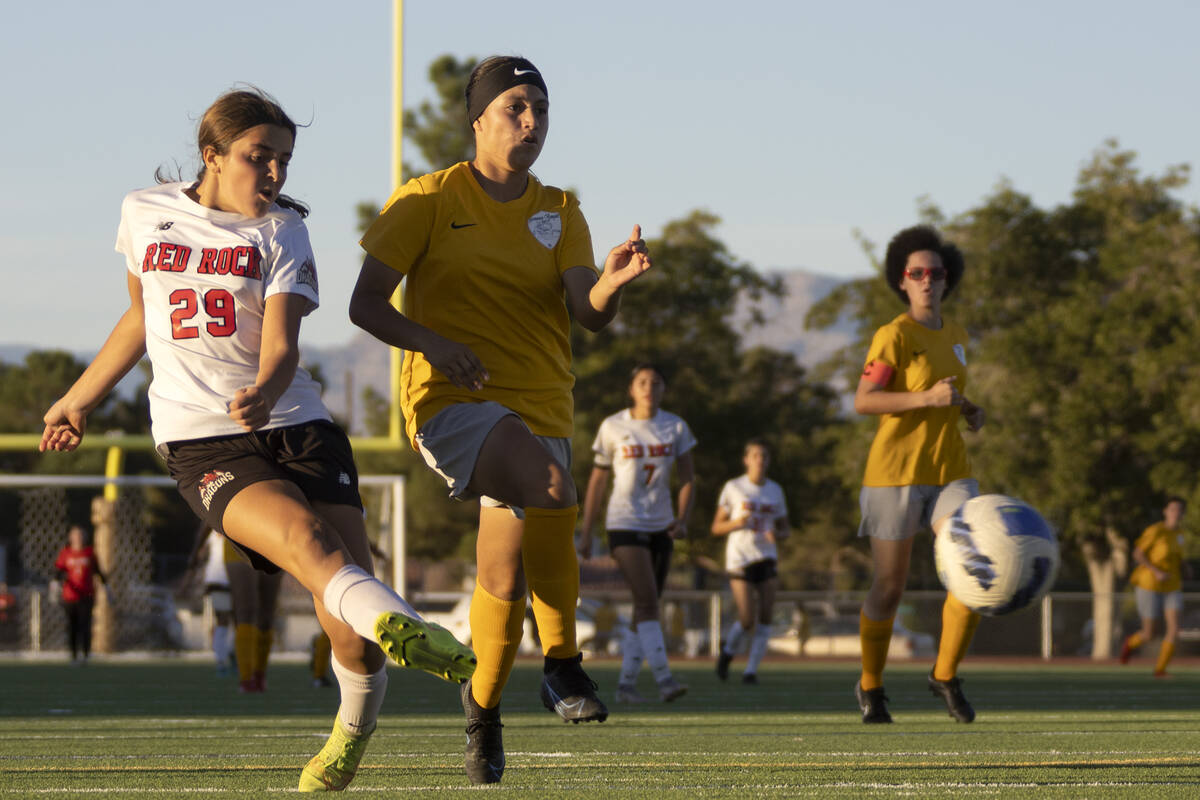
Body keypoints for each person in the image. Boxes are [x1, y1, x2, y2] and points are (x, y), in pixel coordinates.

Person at [38, 87, 474, 793]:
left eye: (284, 161)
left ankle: (351, 732)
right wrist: (77, 399)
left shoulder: (282, 232)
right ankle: (415, 626)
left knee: (354, 639)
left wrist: (269, 389)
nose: (273, 174)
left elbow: (280, 346)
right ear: (211, 154)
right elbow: (140, 318)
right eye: (258, 157)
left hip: (295, 426)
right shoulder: (144, 213)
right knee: (310, 544)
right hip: (203, 440)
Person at [349, 55, 652, 785]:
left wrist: (610, 283)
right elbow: (365, 306)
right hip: (451, 403)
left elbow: (588, 314)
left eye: (541, 110)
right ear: (477, 119)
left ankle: (481, 717)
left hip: (542, 404)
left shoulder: (559, 208)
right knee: (550, 483)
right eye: (516, 106)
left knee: (505, 578)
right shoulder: (426, 199)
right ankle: (564, 666)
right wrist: (436, 345)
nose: (531, 121)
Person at [853, 224, 985, 725]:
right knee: (890, 585)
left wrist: (968, 408)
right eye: (916, 273)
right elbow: (865, 400)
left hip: (951, 470)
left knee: (972, 570)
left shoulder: (956, 334)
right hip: (894, 474)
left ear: (947, 278)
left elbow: (945, 392)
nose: (927, 280)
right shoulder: (894, 335)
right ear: (902, 281)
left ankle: (945, 675)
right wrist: (927, 399)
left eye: (935, 272)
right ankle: (871, 686)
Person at [579, 363, 696, 704]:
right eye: (642, 382)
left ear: (664, 390)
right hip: (624, 524)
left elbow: (688, 477)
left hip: (662, 524)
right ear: (631, 389)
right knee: (646, 600)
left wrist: (683, 518)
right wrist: (587, 532)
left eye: (656, 382)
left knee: (646, 607)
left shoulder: (675, 426)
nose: (649, 388)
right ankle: (665, 680)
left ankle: (625, 686)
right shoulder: (613, 426)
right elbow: (597, 482)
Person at [711, 439, 789, 685]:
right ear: (746, 460)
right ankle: (727, 654)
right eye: (755, 455)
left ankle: (751, 671)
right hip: (740, 556)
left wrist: (776, 534)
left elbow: (786, 529)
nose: (760, 460)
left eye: (764, 456)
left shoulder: (775, 490)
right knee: (747, 618)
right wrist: (736, 523)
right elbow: (716, 527)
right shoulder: (733, 487)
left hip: (766, 555)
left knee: (766, 614)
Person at [1120, 496, 1191, 677]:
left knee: (1174, 629)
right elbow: (1138, 554)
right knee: (1149, 633)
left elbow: (1178, 558)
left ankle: (1160, 669)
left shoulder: (1180, 534)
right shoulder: (1155, 531)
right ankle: (1130, 644)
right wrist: (1155, 571)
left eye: (1179, 510)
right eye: (1173, 509)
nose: (1176, 513)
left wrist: (1186, 567)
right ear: (1165, 512)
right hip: (1149, 585)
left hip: (1172, 586)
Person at [52, 525, 111, 664]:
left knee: (85, 625)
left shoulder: (89, 553)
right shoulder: (66, 553)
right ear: (70, 537)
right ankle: (73, 656)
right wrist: (54, 588)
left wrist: (107, 589)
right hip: (70, 596)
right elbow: (58, 573)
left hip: (87, 595)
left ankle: (85, 655)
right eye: (75, 535)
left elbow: (98, 572)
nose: (78, 537)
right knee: (72, 626)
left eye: (80, 535)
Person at [188, 526, 234, 676]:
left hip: (235, 579)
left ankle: (233, 655)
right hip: (219, 579)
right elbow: (200, 554)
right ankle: (222, 660)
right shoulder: (211, 529)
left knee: (240, 620)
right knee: (223, 620)